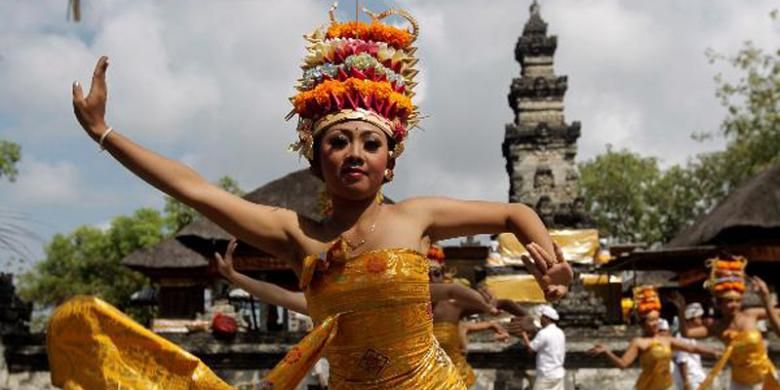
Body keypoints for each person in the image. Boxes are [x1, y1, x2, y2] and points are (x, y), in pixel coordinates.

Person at [53, 4, 573, 389]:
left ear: (389, 164)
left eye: (371, 144)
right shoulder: (296, 234)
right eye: (338, 141)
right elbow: (195, 190)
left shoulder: (417, 217)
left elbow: (515, 211)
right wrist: (105, 133)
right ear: (315, 159)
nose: (355, 153)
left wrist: (550, 265)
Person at [670, 256, 780, 390]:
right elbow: (686, 333)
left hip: (764, 379)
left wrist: (765, 298)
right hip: (740, 383)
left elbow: (776, 312)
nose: (733, 305)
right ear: (718, 304)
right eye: (728, 301)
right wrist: (681, 311)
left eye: (737, 300)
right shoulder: (717, 327)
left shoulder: (751, 314)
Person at [589, 286, 719, 390]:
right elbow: (623, 364)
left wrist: (713, 352)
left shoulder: (666, 339)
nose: (655, 323)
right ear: (642, 323)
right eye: (651, 320)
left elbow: (692, 348)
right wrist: (607, 352)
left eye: (657, 319)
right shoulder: (639, 343)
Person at [514, 305, 566, 390]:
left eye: (542, 318)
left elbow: (531, 349)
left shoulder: (544, 333)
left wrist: (524, 335)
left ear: (547, 319)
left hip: (546, 374)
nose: (540, 320)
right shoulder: (560, 332)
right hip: (558, 373)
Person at [672, 303, 707, 390]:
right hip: (692, 380)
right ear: (691, 319)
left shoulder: (691, 337)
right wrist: (686, 382)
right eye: (699, 318)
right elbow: (682, 360)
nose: (701, 321)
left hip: (696, 378)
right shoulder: (682, 337)